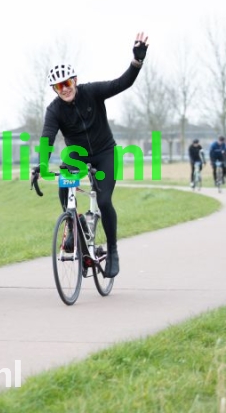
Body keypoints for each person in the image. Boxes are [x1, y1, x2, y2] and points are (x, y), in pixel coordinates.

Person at [32, 32, 149, 279]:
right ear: (54, 89)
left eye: (67, 83)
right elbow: (47, 138)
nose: (64, 89)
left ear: (75, 80)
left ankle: (113, 252)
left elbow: (122, 83)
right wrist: (41, 164)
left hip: (105, 152)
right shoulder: (54, 110)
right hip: (77, 156)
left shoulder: (92, 92)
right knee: (64, 186)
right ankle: (73, 223)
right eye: (58, 86)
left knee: (104, 202)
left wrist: (136, 61)